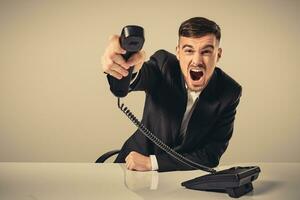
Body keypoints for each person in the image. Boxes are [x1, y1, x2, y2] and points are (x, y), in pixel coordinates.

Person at [101, 17, 242, 172]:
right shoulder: (164, 65)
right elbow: (141, 76)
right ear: (178, 53)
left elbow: (210, 155)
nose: (197, 60)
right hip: (130, 166)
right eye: (189, 50)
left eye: (206, 51)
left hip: (181, 180)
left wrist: (152, 163)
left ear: (218, 55)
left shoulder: (230, 92)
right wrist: (126, 66)